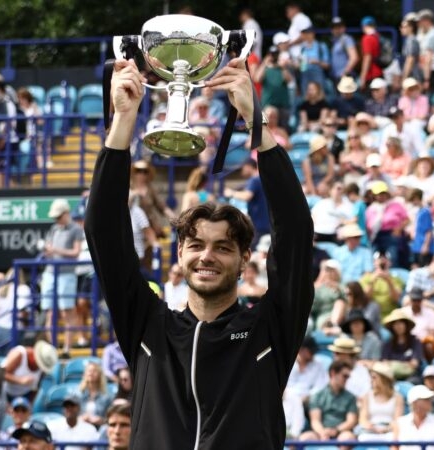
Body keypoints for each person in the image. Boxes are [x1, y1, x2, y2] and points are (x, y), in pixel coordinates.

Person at [84, 57, 314, 449]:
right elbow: (104, 232)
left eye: (223, 247)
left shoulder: (269, 328)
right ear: (180, 253)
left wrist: (257, 128)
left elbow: (294, 234)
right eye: (196, 245)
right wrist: (123, 122)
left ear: (244, 260)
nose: (207, 256)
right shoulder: (148, 325)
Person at [41, 198, 83, 357]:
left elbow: (76, 252)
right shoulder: (53, 229)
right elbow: (51, 250)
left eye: (58, 216)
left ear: (66, 213)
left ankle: (66, 349)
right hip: (51, 273)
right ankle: (54, 350)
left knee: (67, 312)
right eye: (55, 217)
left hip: (66, 274)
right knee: (50, 313)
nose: (56, 220)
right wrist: (48, 251)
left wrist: (56, 251)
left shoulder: (76, 229)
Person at [298, 360, 357, 443]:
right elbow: (315, 420)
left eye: (348, 377)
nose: (347, 379)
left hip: (341, 432)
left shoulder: (351, 397)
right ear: (333, 373)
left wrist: (336, 430)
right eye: (345, 376)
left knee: (348, 438)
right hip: (320, 433)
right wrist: (323, 432)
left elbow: (351, 421)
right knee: (304, 438)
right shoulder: (317, 396)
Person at [223, 158, 270, 249]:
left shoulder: (254, 180)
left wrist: (231, 192)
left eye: (243, 168)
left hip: (258, 224)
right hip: (268, 223)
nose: (241, 171)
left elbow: (247, 196)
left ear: (248, 167)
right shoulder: (264, 179)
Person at [391, 384, 434, 450]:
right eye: (426, 399)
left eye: (429, 399)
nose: (430, 401)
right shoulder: (399, 423)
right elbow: (394, 447)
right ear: (415, 402)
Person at [356, 362, 404, 442]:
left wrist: (386, 429)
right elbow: (363, 419)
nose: (371, 380)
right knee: (363, 438)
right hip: (370, 432)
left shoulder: (398, 397)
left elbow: (397, 420)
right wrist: (373, 428)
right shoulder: (367, 396)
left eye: (374, 377)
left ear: (383, 379)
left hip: (390, 432)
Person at [382, 309, 424, 382]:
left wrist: (393, 364)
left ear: (406, 325)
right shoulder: (388, 344)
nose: (398, 326)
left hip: (412, 377)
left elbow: (414, 363)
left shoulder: (415, 341)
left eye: (401, 323)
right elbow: (384, 363)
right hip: (392, 376)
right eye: (395, 324)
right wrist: (405, 364)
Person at [285, 335, 328, 406]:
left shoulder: (317, 364)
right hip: (286, 399)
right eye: (311, 351)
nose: (313, 354)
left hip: (307, 402)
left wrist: (309, 396)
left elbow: (320, 385)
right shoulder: (288, 362)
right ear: (301, 349)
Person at [360, 251, 403, 318]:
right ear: (374, 263)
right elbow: (365, 298)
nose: (382, 260)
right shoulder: (366, 278)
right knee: (373, 307)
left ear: (390, 263)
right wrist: (373, 280)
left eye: (385, 259)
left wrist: (388, 281)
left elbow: (396, 299)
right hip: (372, 314)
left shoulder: (396, 279)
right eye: (379, 258)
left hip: (391, 314)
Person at [78, 360, 113, 428]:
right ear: (84, 374)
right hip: (79, 428)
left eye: (94, 370)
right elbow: (69, 415)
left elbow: (111, 419)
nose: (91, 373)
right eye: (89, 370)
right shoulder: (77, 394)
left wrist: (101, 420)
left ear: (100, 375)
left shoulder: (107, 397)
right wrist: (79, 419)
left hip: (99, 429)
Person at [330, 17, 359, 81]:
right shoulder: (334, 41)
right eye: (334, 27)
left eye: (339, 27)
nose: (337, 29)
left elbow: (354, 58)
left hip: (345, 77)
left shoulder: (347, 39)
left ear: (344, 28)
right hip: (337, 77)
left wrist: (344, 73)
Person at [359, 16, 384, 90]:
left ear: (363, 26)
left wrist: (363, 77)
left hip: (371, 74)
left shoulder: (367, 38)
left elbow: (367, 57)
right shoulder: (377, 36)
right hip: (380, 72)